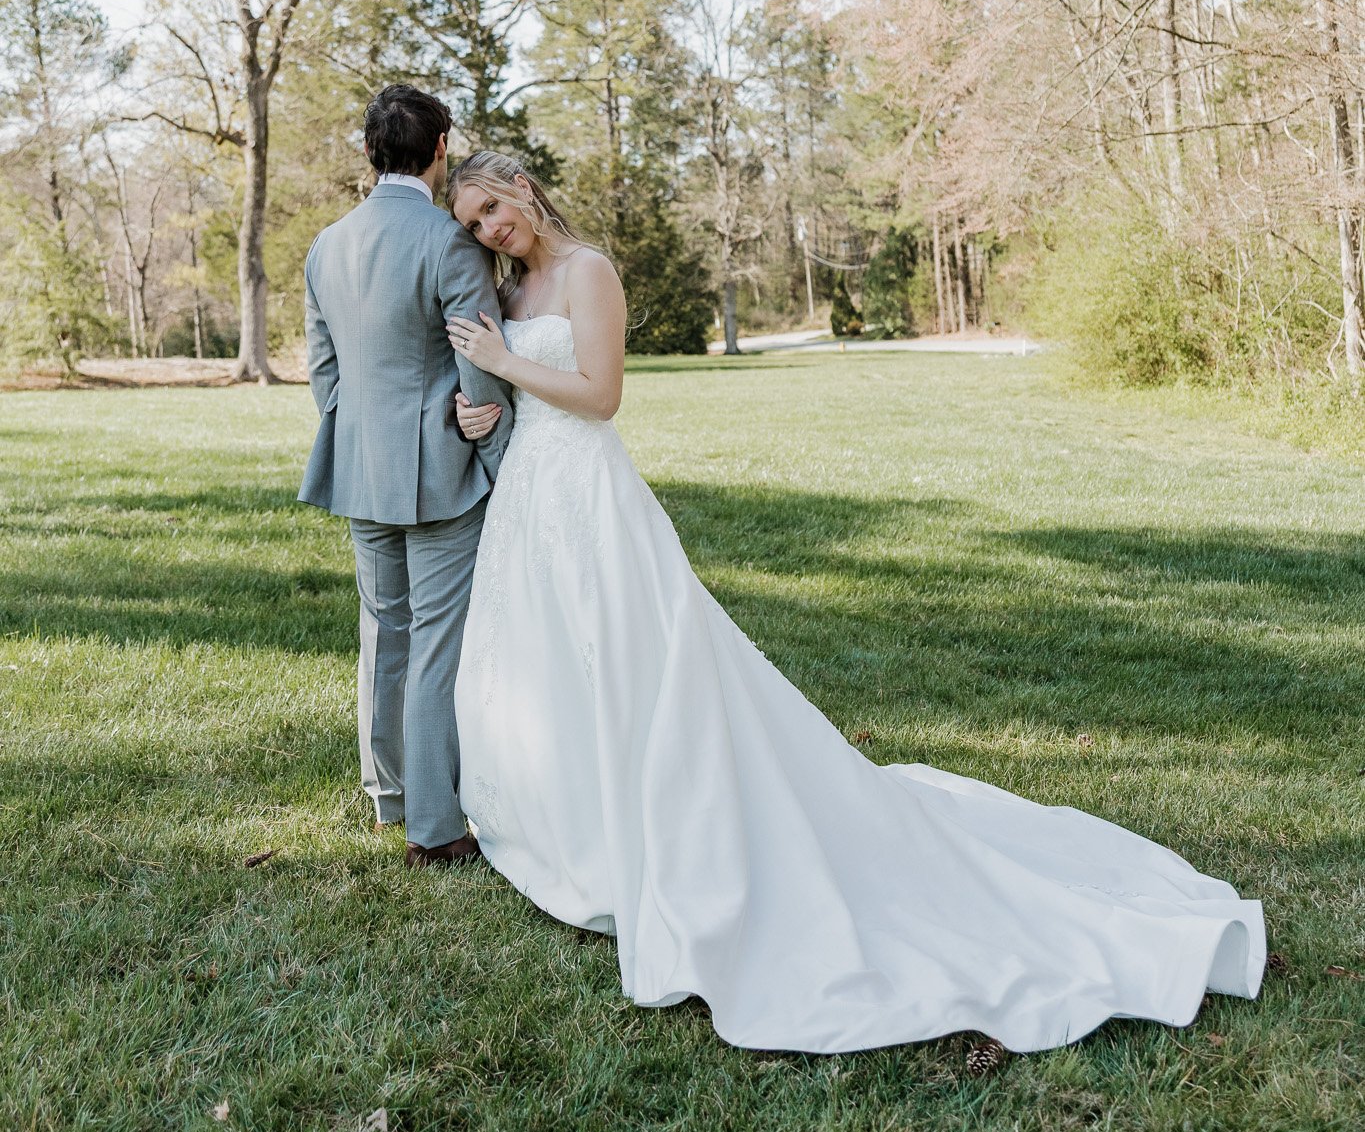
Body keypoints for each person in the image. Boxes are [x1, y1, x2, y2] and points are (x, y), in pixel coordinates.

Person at [443, 147, 1265, 1054]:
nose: (489, 230)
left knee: (635, 665)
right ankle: (578, 839)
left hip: (591, 495)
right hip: (530, 495)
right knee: (552, 666)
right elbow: (523, 391)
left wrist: (505, 363)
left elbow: (600, 397)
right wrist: (483, 406)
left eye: (492, 209)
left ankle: (660, 839)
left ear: (523, 187)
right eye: (474, 224)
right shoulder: (508, 290)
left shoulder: (586, 271)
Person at [299, 89, 513, 867]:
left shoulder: (327, 244)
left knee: (382, 633)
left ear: (369, 152)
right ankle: (434, 825)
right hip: (440, 475)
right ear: (441, 146)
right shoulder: (451, 243)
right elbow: (478, 373)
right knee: (434, 646)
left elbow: (323, 369)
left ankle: (388, 796)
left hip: (359, 470)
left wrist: (358, 433)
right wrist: (501, 462)